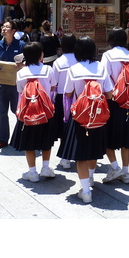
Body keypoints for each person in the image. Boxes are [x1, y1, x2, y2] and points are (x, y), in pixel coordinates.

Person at [62, 36, 114, 204]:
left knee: (81, 155)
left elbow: (68, 93)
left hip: (80, 117)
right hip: (98, 116)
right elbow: (109, 94)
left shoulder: (74, 69)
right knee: (94, 150)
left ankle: (85, 191)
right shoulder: (101, 68)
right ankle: (90, 178)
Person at [10, 42, 57, 181]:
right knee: (46, 141)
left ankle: (32, 172)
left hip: (28, 112)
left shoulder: (21, 73)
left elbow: (20, 91)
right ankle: (46, 167)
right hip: (45, 112)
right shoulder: (48, 69)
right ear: (41, 55)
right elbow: (53, 87)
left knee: (28, 143)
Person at [100, 27, 129, 184]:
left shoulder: (108, 56)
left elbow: (104, 79)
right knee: (126, 138)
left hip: (113, 101)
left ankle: (115, 167)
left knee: (108, 136)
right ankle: (126, 172)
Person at [0, 19, 25, 150]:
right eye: (3, 27)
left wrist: (21, 65)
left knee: (19, 112)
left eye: (7, 27)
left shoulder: (21, 45)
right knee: (1, 112)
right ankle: (2, 139)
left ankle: (21, 138)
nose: (3, 29)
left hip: (16, 84)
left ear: (14, 31)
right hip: (1, 84)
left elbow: (28, 62)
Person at [51, 34, 77, 169]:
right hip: (78, 97)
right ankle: (77, 153)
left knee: (63, 128)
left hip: (62, 98)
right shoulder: (80, 60)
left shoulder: (58, 62)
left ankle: (65, 157)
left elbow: (53, 83)